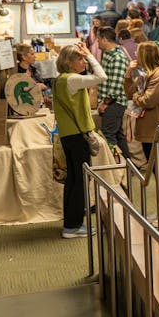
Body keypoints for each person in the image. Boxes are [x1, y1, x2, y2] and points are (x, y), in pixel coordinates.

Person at [52, 43, 107, 238]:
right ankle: (73, 226)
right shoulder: (72, 80)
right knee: (80, 182)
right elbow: (102, 76)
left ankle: (71, 223)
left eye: (84, 58)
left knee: (73, 180)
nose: (84, 61)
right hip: (77, 136)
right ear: (69, 62)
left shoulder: (60, 80)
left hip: (69, 135)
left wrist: (86, 56)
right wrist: (91, 55)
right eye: (80, 59)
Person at [123, 42, 159, 227]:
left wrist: (136, 99)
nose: (135, 58)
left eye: (138, 54)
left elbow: (148, 100)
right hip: (147, 130)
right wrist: (128, 75)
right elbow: (129, 92)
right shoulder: (146, 74)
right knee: (154, 170)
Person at [95, 28, 131, 160]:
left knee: (108, 135)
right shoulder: (108, 54)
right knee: (118, 135)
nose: (97, 42)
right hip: (111, 102)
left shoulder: (117, 58)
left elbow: (116, 86)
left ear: (104, 39)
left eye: (98, 39)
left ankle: (114, 167)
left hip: (115, 103)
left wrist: (105, 103)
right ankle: (128, 166)